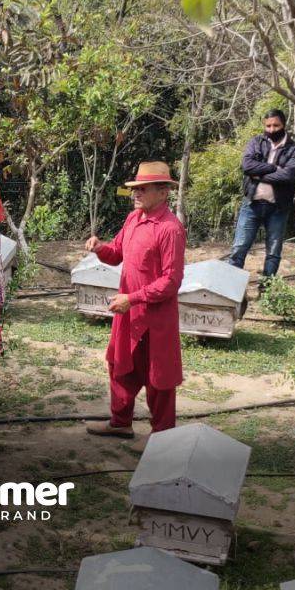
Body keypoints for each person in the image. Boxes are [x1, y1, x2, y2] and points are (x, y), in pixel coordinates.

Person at [84, 161, 186, 439]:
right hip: (128, 311)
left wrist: (135, 298)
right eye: (134, 188)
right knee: (119, 364)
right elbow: (117, 252)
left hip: (155, 318)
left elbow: (171, 281)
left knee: (159, 378)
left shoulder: (170, 229)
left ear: (163, 192)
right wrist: (100, 248)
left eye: (143, 189)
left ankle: (163, 436)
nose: (135, 194)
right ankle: (120, 422)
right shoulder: (134, 219)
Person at [227, 109, 295, 279]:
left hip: (278, 208)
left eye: (276, 125)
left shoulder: (294, 149)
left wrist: (259, 174)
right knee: (239, 248)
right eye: (268, 125)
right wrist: (274, 168)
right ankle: (231, 291)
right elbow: (247, 166)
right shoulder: (256, 142)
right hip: (252, 204)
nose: (272, 129)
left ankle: (266, 291)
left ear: (284, 125)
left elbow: (288, 175)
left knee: (273, 252)